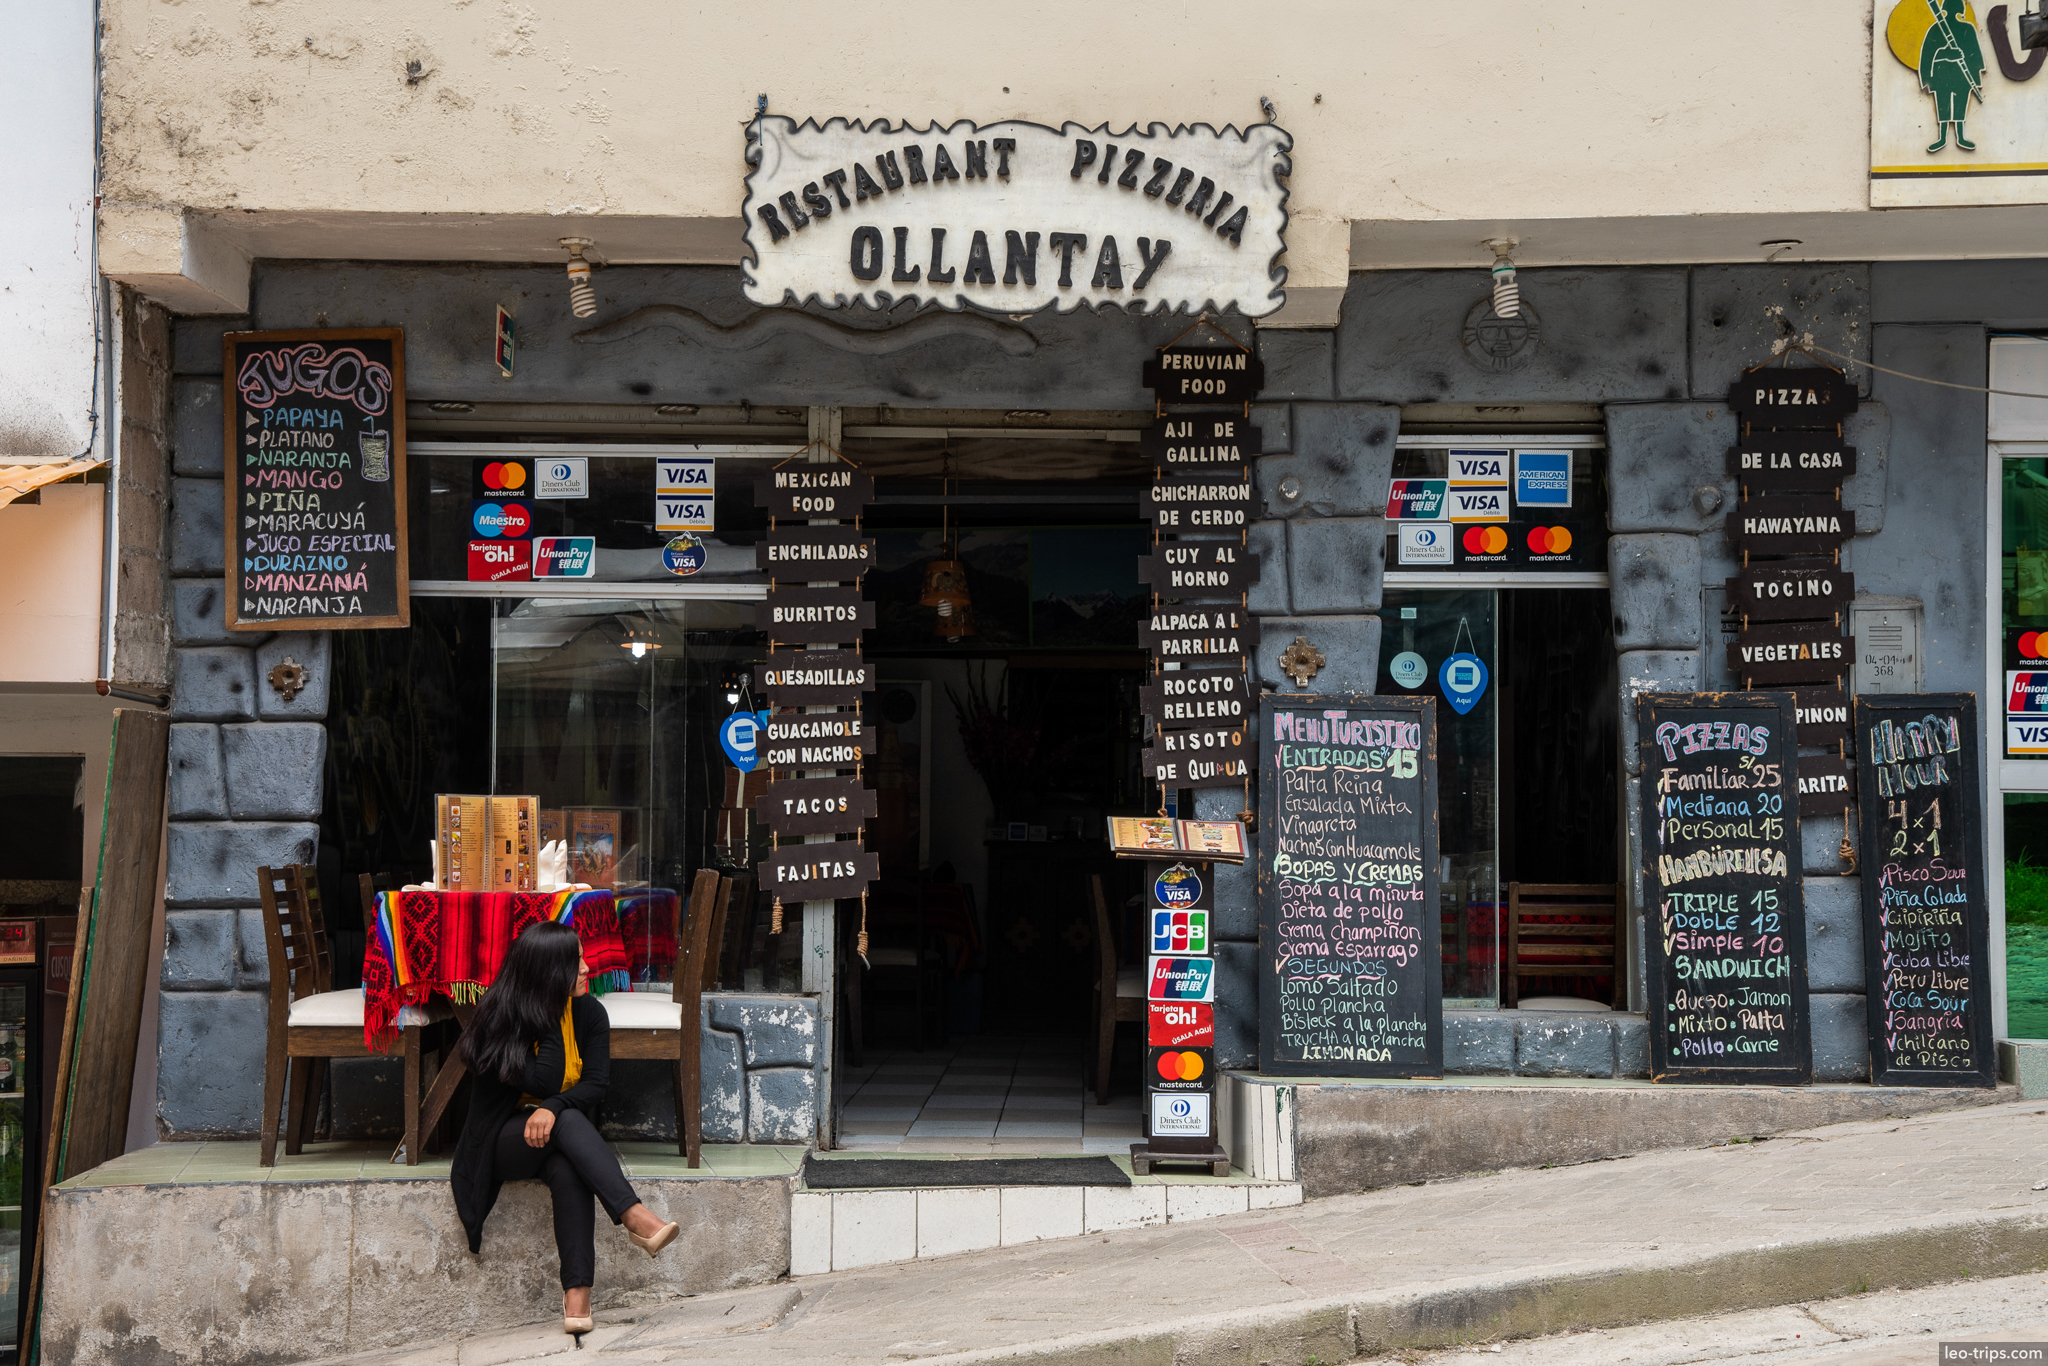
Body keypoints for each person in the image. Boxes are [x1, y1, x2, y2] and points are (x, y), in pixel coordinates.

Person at [450, 921, 679, 1335]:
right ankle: (633, 1215)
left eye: (583, 958)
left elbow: (595, 1083)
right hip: (499, 1142)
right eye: (575, 963)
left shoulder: (590, 1012)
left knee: (567, 1166)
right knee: (568, 1120)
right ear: (548, 973)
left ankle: (577, 1295)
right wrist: (552, 1012)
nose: (587, 968)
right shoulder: (501, 1017)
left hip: (555, 1138)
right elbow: (546, 1080)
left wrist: (552, 1109)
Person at [1919, 0, 1986, 153]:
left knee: (1960, 104)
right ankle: (1942, 138)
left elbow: (1974, 52)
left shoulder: (1967, 29)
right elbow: (1928, 54)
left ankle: (1960, 137)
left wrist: (1975, 76)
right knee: (1943, 104)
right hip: (1942, 74)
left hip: (1962, 76)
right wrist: (1945, 54)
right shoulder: (1936, 29)